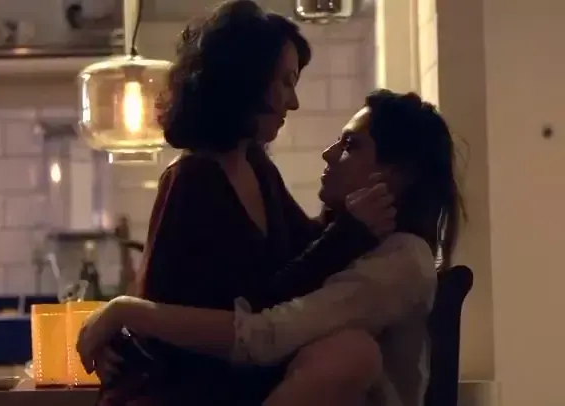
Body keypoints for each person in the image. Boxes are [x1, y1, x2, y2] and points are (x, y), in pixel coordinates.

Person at [83, 1, 399, 405]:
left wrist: (348, 215)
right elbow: (245, 312)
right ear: (247, 81)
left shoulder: (258, 169)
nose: (293, 101)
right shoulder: (192, 180)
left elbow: (303, 262)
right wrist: (349, 234)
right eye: (285, 82)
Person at [78, 89, 465, 406]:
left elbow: (262, 336)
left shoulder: (399, 262)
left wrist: (126, 310)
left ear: (396, 174)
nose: (329, 153)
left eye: (351, 145)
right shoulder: (357, 243)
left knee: (351, 352)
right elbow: (272, 291)